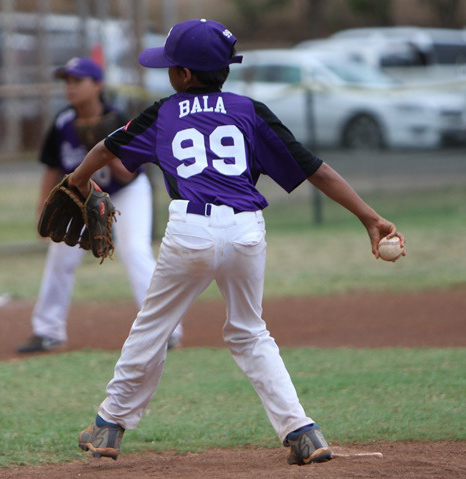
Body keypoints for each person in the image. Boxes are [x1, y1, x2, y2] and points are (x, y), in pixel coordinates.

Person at [67, 20, 406, 466]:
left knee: (153, 327)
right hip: (246, 231)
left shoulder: (164, 112)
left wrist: (77, 182)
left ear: (184, 75)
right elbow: (317, 170)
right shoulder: (250, 110)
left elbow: (105, 150)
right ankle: (303, 432)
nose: (168, 73)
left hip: (190, 230)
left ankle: (109, 425)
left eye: (171, 67)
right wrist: (370, 218)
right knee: (250, 332)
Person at [16, 57, 183, 354]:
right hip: (82, 196)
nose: (70, 87)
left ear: (97, 85)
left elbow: (128, 174)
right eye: (67, 82)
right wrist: (42, 207)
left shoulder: (117, 120)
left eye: (77, 81)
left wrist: (102, 150)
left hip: (126, 192)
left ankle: (165, 329)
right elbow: (52, 167)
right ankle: (47, 330)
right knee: (60, 254)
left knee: (135, 251)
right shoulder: (63, 122)